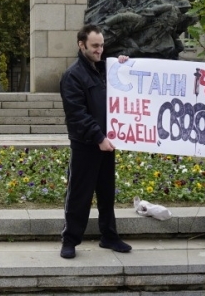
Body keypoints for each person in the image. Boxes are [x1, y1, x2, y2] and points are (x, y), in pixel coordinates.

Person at [58, 24, 131, 259]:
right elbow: (76, 114)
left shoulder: (105, 70)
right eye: (95, 46)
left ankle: (109, 236)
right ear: (82, 45)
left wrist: (125, 66)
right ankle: (69, 240)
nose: (100, 50)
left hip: (106, 143)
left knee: (107, 193)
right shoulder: (72, 76)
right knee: (79, 194)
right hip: (86, 144)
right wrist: (98, 137)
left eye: (102, 45)